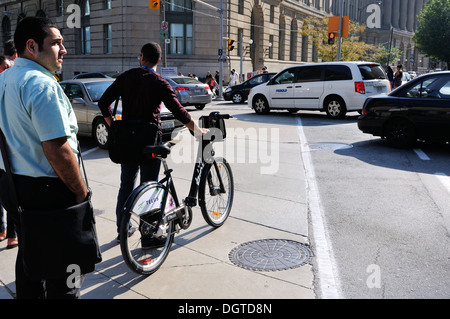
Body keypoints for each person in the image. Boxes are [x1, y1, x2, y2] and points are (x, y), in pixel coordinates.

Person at [0, 16, 88, 299]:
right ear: (31, 46)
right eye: (56, 43)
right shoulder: (42, 85)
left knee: (29, 257)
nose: (63, 50)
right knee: (65, 271)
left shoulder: (4, 78)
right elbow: (57, 149)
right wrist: (80, 192)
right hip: (48, 193)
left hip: (11, 185)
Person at [98, 42, 208, 243]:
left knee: (126, 184)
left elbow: (103, 102)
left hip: (127, 138)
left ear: (141, 57)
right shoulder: (159, 82)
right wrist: (197, 130)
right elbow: (178, 110)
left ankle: (122, 229)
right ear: (158, 60)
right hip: (149, 138)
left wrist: (113, 125)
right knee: (149, 187)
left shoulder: (125, 77)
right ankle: (147, 236)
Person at [0, 55, 17, 249]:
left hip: (8, 152)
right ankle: (4, 230)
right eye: (5, 66)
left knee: (11, 192)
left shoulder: (10, 87)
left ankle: (11, 233)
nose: (9, 69)